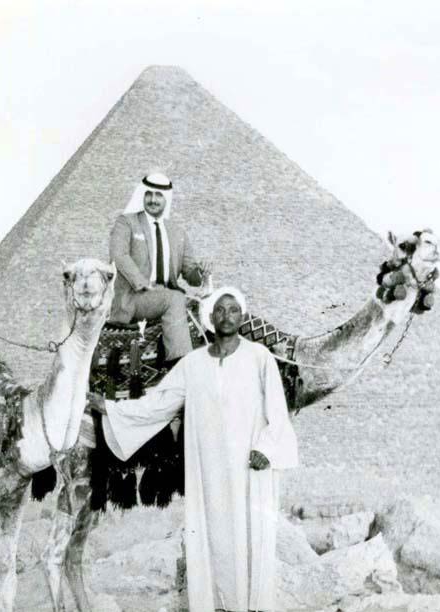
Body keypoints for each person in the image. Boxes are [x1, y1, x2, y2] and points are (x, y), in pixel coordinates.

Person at [89, 287, 299, 612]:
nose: (226, 315)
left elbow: (278, 413)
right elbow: (158, 404)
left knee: (249, 537)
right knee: (212, 537)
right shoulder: (193, 363)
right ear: (210, 318)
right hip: (209, 471)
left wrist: (267, 449)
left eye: (233, 310)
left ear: (242, 316)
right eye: (220, 310)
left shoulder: (260, 358)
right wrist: (111, 408)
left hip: (249, 468)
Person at [108, 172, 210, 363]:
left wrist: (202, 272)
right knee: (175, 298)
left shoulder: (178, 232)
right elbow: (119, 256)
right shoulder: (126, 222)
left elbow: (190, 274)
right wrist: (141, 282)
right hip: (134, 297)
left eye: (158, 195)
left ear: (167, 199)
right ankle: (180, 363)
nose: (153, 200)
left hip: (165, 295)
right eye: (149, 194)